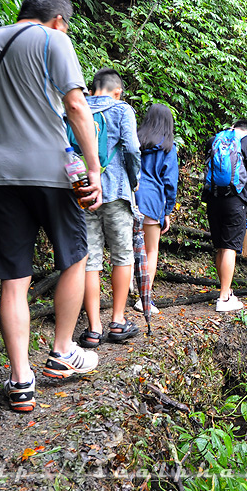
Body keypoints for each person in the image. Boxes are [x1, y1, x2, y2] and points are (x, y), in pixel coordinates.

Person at [0, 0, 102, 413]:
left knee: (13, 278)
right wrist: (93, 169)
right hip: (53, 173)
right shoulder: (55, 40)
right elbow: (76, 106)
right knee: (74, 258)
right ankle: (61, 353)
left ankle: (21, 380)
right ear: (59, 19)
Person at [77, 68, 141, 349]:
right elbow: (132, 149)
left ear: (92, 89)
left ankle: (93, 329)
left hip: (83, 191)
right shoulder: (122, 109)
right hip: (115, 190)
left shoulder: (76, 105)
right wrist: (134, 179)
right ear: (118, 92)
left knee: (90, 259)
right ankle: (117, 321)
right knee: (122, 255)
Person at [204, 120, 247, 312]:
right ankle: (223, 298)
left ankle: (226, 291)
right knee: (230, 246)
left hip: (213, 198)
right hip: (235, 199)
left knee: (220, 246)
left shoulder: (216, 139)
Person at [133, 103, 179, 314]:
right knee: (151, 251)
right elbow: (170, 181)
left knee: (128, 251)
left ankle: (129, 291)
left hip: (130, 197)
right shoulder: (168, 147)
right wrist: (167, 210)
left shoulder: (135, 140)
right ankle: (144, 299)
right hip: (152, 202)